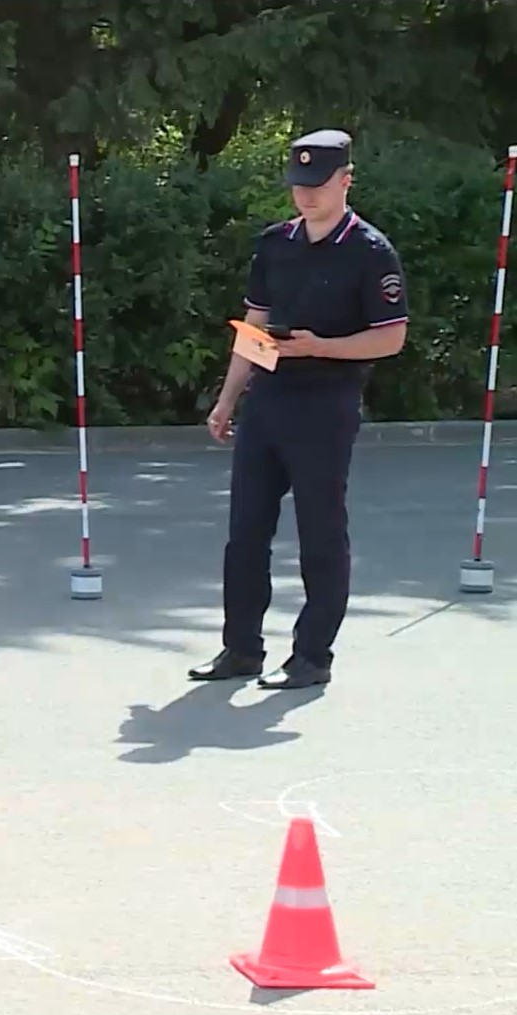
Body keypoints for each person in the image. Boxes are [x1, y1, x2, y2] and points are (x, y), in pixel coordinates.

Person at [189, 130, 409, 691]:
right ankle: (241, 649)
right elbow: (255, 327)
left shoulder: (370, 250)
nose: (305, 195)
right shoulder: (274, 244)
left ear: (345, 180)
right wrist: (227, 397)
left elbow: (390, 338)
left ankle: (312, 657)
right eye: (297, 185)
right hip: (268, 401)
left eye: (317, 184)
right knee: (245, 534)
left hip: (325, 404)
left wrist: (322, 346)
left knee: (320, 533)